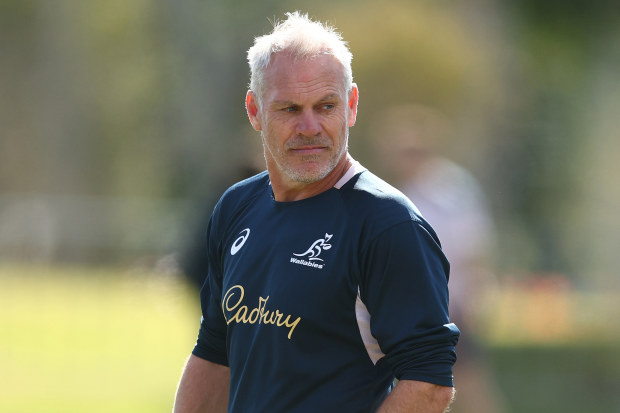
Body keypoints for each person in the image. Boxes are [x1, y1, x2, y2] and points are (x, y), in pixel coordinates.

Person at [172, 12, 459, 413]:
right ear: (255, 110)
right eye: (289, 109)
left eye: (326, 106)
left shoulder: (388, 225)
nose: (310, 127)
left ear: (352, 105)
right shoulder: (237, 207)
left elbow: (429, 383)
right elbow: (215, 350)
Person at [373, 104, 505, 413]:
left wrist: (475, 297)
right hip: (417, 310)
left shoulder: (451, 189)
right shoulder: (399, 194)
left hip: (450, 307)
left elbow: (473, 247)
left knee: (469, 390)